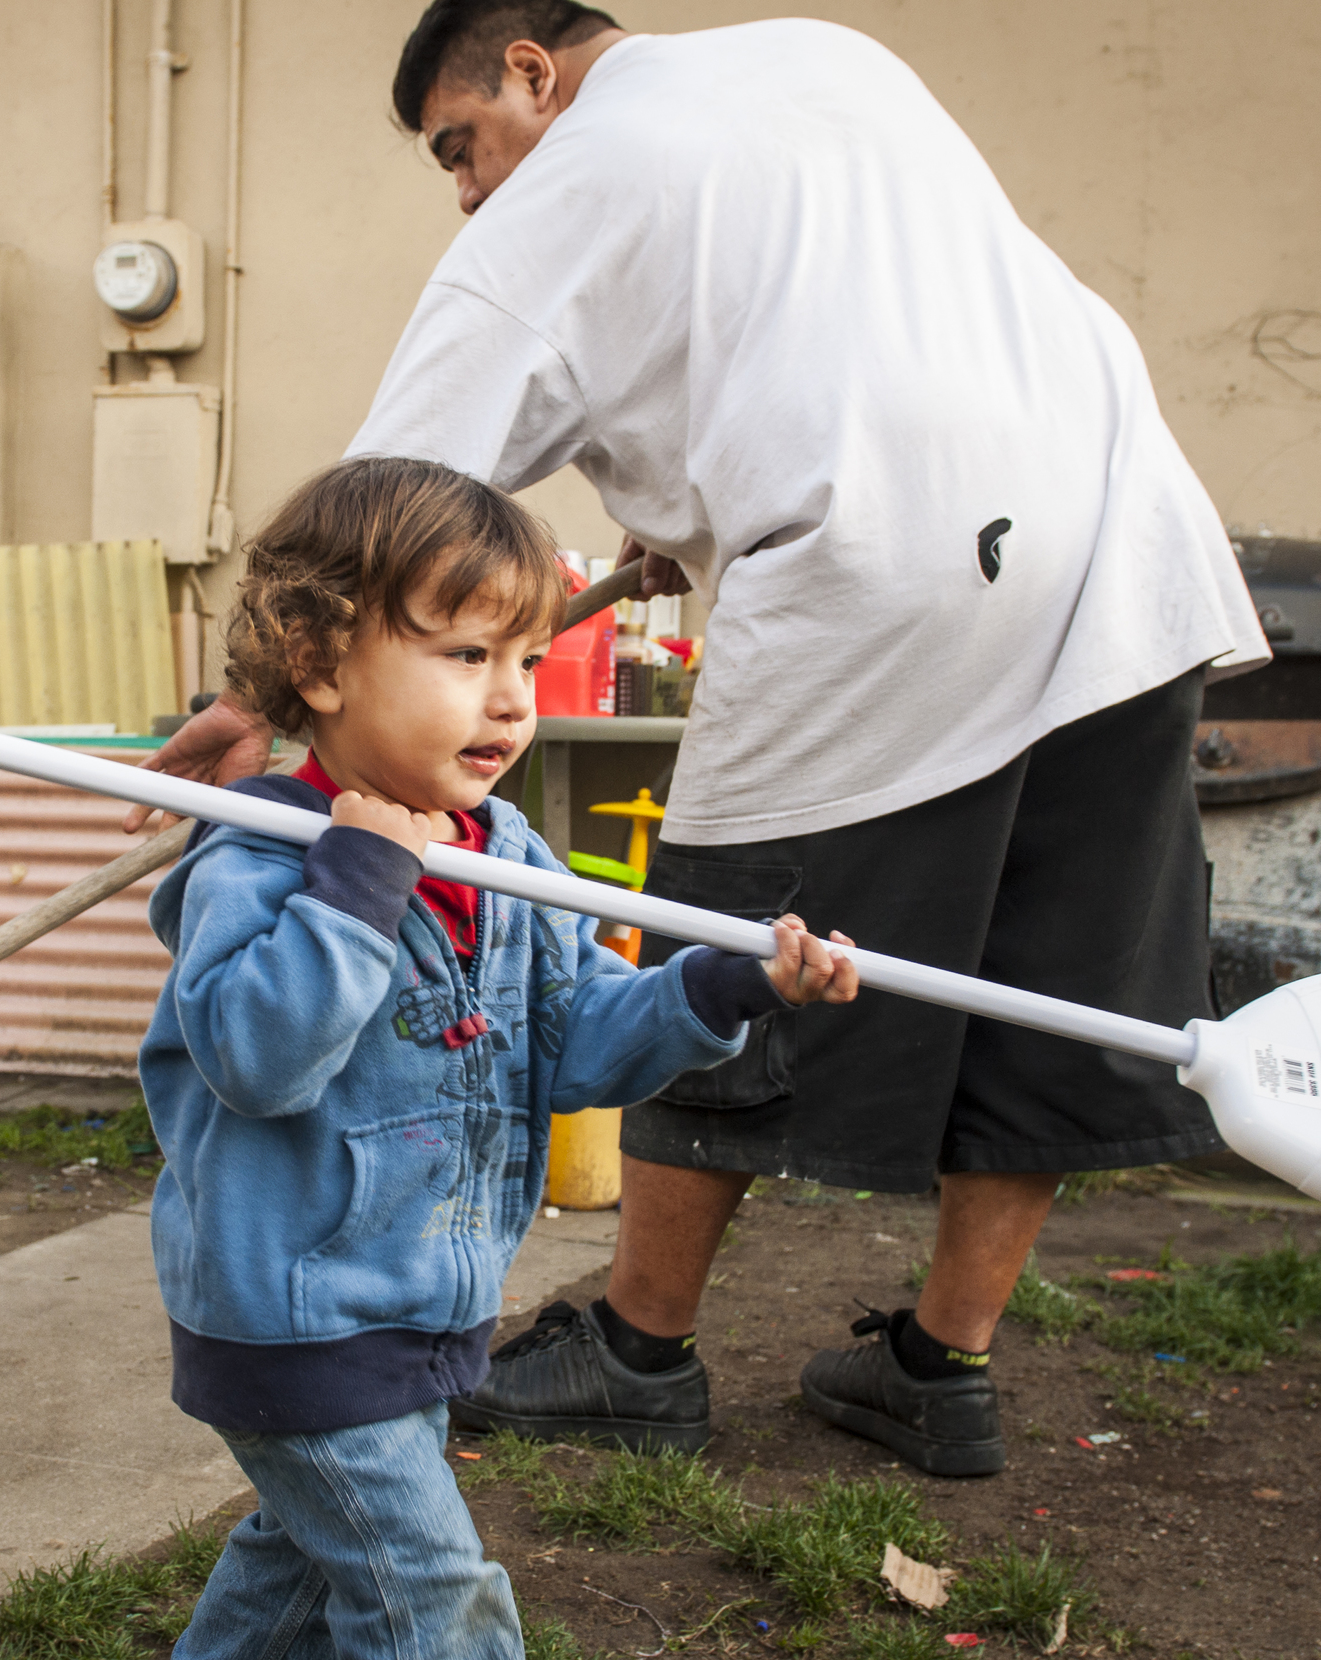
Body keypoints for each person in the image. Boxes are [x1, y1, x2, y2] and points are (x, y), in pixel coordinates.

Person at [133, 1, 1268, 1480]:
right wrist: (688, 518)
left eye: (461, 147)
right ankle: (943, 1365)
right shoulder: (826, 58)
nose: (472, 191)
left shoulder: (568, 185)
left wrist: (267, 701)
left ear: (533, 72)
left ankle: (637, 1347)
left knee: (706, 916)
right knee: (1052, 977)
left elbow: (387, 513)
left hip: (887, 559)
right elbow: (836, 331)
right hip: (1127, 537)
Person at [144, 455, 857, 1659]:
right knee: (429, 1594)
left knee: (305, 1565)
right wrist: (360, 883)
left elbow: (571, 1040)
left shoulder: (506, 853)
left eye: (523, 659)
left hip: (427, 1307)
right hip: (297, 1316)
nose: (512, 699)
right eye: (465, 657)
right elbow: (259, 1058)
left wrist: (722, 985)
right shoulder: (259, 862)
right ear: (319, 665)